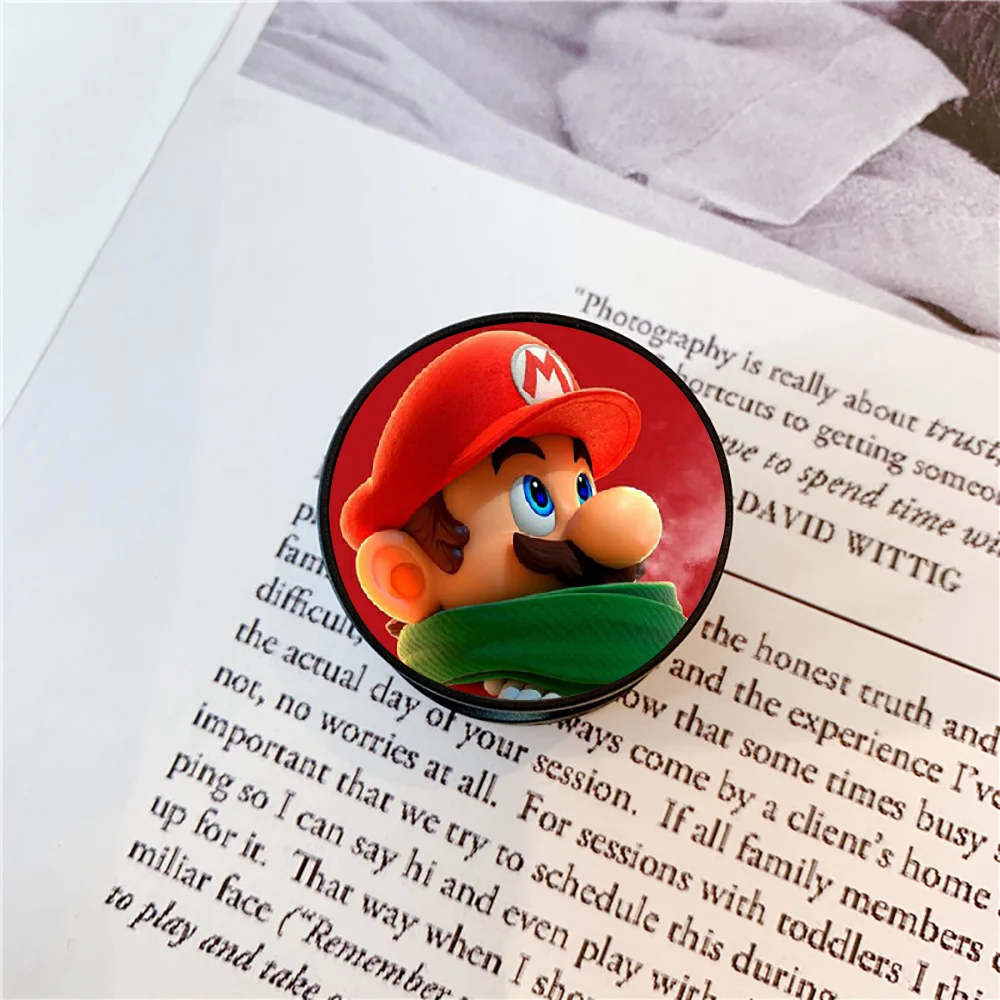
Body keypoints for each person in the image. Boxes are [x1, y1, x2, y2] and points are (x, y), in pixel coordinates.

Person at [339, 329, 687, 700]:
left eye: (584, 489)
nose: (594, 526)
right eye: (536, 497)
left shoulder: (653, 626)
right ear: (404, 576)